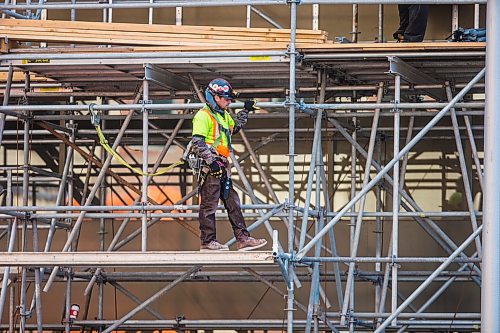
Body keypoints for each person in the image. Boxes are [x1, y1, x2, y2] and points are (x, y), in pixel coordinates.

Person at [188, 78, 268, 251]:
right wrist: (211, 162)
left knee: (233, 202)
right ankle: (208, 242)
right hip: (211, 167)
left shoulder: (223, 115)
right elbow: (197, 142)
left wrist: (245, 110)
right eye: (226, 98)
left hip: (222, 165)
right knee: (210, 204)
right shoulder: (203, 115)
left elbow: (235, 128)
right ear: (214, 97)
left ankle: (243, 239)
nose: (229, 101)